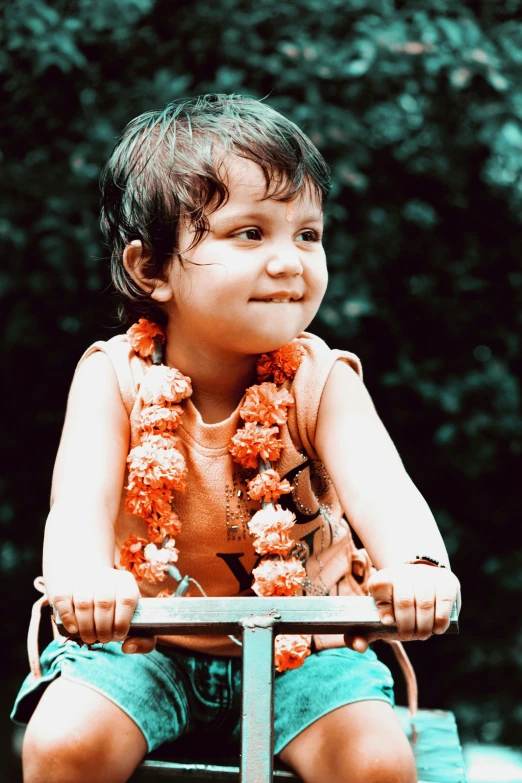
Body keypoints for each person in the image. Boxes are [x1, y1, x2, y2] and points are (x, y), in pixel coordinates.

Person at [13, 94, 461, 783]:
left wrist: (420, 568)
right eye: (250, 233)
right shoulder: (115, 377)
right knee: (63, 744)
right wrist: (84, 580)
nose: (290, 261)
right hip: (142, 645)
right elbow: (77, 506)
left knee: (374, 760)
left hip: (306, 649)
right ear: (151, 269)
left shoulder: (322, 379)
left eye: (307, 234)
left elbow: (386, 493)